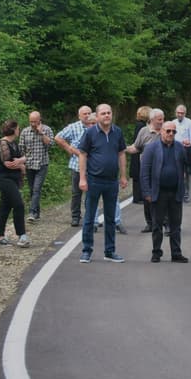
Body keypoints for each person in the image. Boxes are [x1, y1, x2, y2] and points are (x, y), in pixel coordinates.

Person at [140, 121, 191, 263]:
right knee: (157, 225)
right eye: (168, 131)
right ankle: (156, 252)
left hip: (175, 192)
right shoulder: (151, 148)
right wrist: (147, 192)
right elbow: (144, 172)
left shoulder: (179, 147)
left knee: (176, 225)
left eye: (174, 131)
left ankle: (176, 253)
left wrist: (189, 149)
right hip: (158, 192)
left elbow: (190, 164)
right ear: (161, 131)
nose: (171, 134)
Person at [78, 104, 128, 263]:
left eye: (109, 112)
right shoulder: (90, 133)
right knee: (89, 217)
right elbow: (82, 155)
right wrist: (82, 178)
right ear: (97, 116)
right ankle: (86, 251)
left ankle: (110, 251)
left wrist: (123, 175)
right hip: (94, 180)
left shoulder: (117, 132)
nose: (107, 115)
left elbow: (121, 154)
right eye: (103, 113)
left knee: (111, 218)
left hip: (112, 181)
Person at [53, 105, 94, 227]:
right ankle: (75, 216)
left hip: (93, 165)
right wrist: (68, 148)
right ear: (79, 116)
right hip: (77, 164)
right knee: (76, 192)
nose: (87, 116)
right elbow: (58, 137)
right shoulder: (73, 127)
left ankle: (91, 216)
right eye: (84, 114)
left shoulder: (96, 126)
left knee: (92, 193)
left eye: (89, 113)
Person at [0, 120, 29, 247]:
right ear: (13, 129)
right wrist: (21, 165)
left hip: (13, 178)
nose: (19, 130)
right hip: (4, 178)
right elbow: (8, 163)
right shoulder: (3, 143)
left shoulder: (14, 143)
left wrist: (21, 161)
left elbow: (23, 158)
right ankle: (22, 235)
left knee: (5, 206)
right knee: (18, 204)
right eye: (18, 128)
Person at [127, 108, 162, 232]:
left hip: (162, 170)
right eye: (159, 120)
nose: (162, 122)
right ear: (152, 120)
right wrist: (123, 149)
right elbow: (136, 147)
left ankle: (166, 223)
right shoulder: (143, 131)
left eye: (162, 119)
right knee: (147, 197)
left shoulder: (166, 131)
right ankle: (150, 223)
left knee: (163, 197)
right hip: (146, 170)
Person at [18, 111, 53, 222]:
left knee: (37, 188)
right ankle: (37, 213)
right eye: (31, 121)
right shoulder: (25, 131)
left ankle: (32, 212)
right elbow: (21, 148)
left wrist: (41, 133)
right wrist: (22, 163)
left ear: (39, 120)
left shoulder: (47, 129)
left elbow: (51, 144)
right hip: (29, 164)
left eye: (35, 121)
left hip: (42, 164)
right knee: (32, 189)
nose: (33, 123)